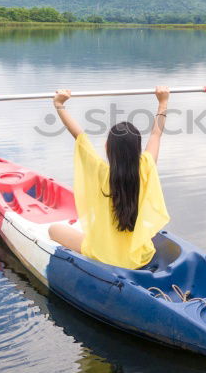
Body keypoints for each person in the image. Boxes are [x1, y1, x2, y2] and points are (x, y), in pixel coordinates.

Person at [48, 86, 171, 269]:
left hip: (103, 256)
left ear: (107, 147)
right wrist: (163, 101)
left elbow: (79, 135)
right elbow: (156, 134)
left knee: (53, 230)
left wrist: (59, 104)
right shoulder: (147, 166)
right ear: (137, 149)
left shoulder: (100, 171)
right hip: (139, 257)